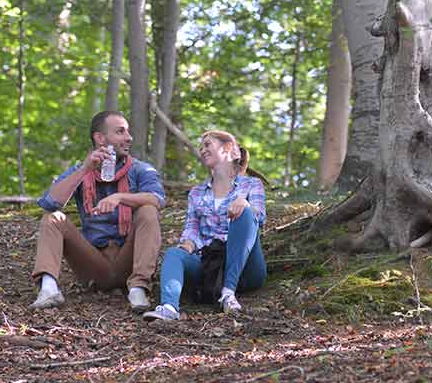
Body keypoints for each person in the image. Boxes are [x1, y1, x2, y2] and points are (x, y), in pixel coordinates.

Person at [30, 111, 164, 312]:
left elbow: (157, 199)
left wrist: (120, 198)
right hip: (93, 263)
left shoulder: (139, 169)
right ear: (100, 138)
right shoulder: (81, 169)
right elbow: (50, 202)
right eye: (120, 132)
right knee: (53, 218)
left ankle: (138, 288)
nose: (129, 137)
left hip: (128, 259)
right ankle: (48, 289)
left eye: (127, 132)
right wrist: (85, 169)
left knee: (148, 210)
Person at [143, 130, 267, 321]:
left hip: (246, 268)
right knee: (174, 254)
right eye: (201, 146)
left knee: (246, 212)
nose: (202, 150)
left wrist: (244, 203)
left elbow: (258, 217)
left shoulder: (251, 184)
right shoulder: (196, 192)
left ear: (227, 149)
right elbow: (192, 230)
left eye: (207, 144)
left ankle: (228, 293)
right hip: (211, 265)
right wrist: (186, 247)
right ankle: (169, 307)